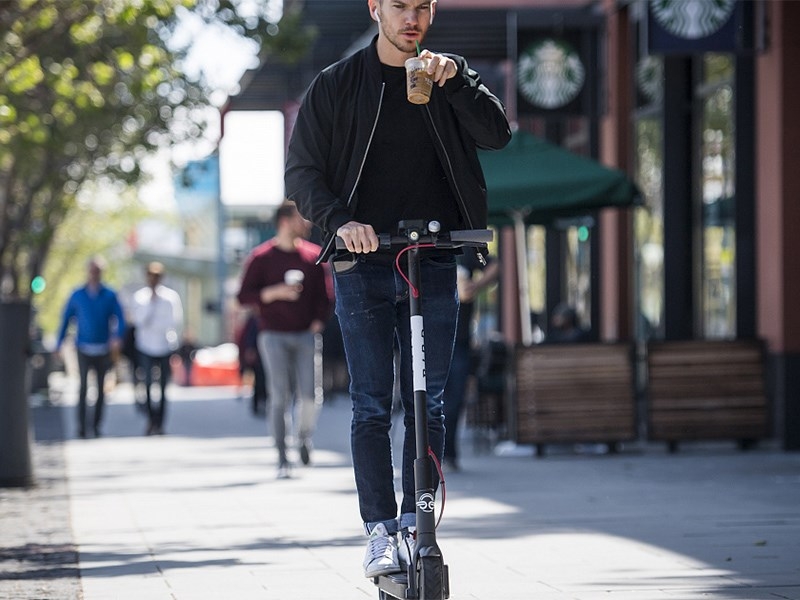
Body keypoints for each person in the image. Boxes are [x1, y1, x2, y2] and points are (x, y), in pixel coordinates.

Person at [284, 0, 511, 579]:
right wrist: (340, 222)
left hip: (432, 259)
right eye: (399, 6)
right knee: (370, 404)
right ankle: (380, 531)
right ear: (375, 9)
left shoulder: (448, 76)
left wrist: (458, 82)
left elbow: (497, 134)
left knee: (428, 401)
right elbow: (302, 172)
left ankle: (420, 521)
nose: (411, 18)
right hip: (362, 263)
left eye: (422, 7)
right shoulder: (338, 85)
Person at [236, 201, 333, 479]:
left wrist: (317, 321)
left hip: (305, 335)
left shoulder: (314, 256)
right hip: (272, 335)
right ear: (285, 221)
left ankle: (304, 437)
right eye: (302, 218)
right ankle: (281, 455)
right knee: (279, 396)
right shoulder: (261, 257)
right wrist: (273, 293)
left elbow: (326, 298)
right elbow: (243, 297)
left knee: (310, 396)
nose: (308, 223)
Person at [442, 248, 499, 473]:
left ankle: (449, 454)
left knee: (454, 398)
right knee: (427, 398)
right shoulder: (424, 243)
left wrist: (476, 286)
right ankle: (428, 455)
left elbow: (494, 265)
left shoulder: (467, 247)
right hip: (426, 335)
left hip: (460, 339)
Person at [55, 256, 126, 438]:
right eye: (92, 271)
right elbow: (66, 320)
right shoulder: (77, 295)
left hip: (103, 348)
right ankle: (81, 427)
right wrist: (59, 343)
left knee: (101, 389)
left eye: (98, 271)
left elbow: (120, 318)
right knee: (83, 388)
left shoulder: (109, 294)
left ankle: (96, 426)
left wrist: (117, 337)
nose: (94, 274)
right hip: (83, 347)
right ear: (88, 272)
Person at [132, 261, 184, 436]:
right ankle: (150, 420)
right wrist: (152, 305)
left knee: (162, 387)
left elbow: (172, 322)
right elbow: (140, 322)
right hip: (145, 346)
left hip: (163, 346)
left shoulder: (170, 297)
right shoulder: (141, 297)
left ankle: (160, 423)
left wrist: (155, 324)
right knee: (146, 385)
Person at [235, 310, 268, 415]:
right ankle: (258, 404)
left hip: (264, 354)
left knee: (264, 380)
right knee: (259, 381)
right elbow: (248, 338)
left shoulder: (264, 319)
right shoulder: (254, 321)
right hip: (258, 356)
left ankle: (263, 403)